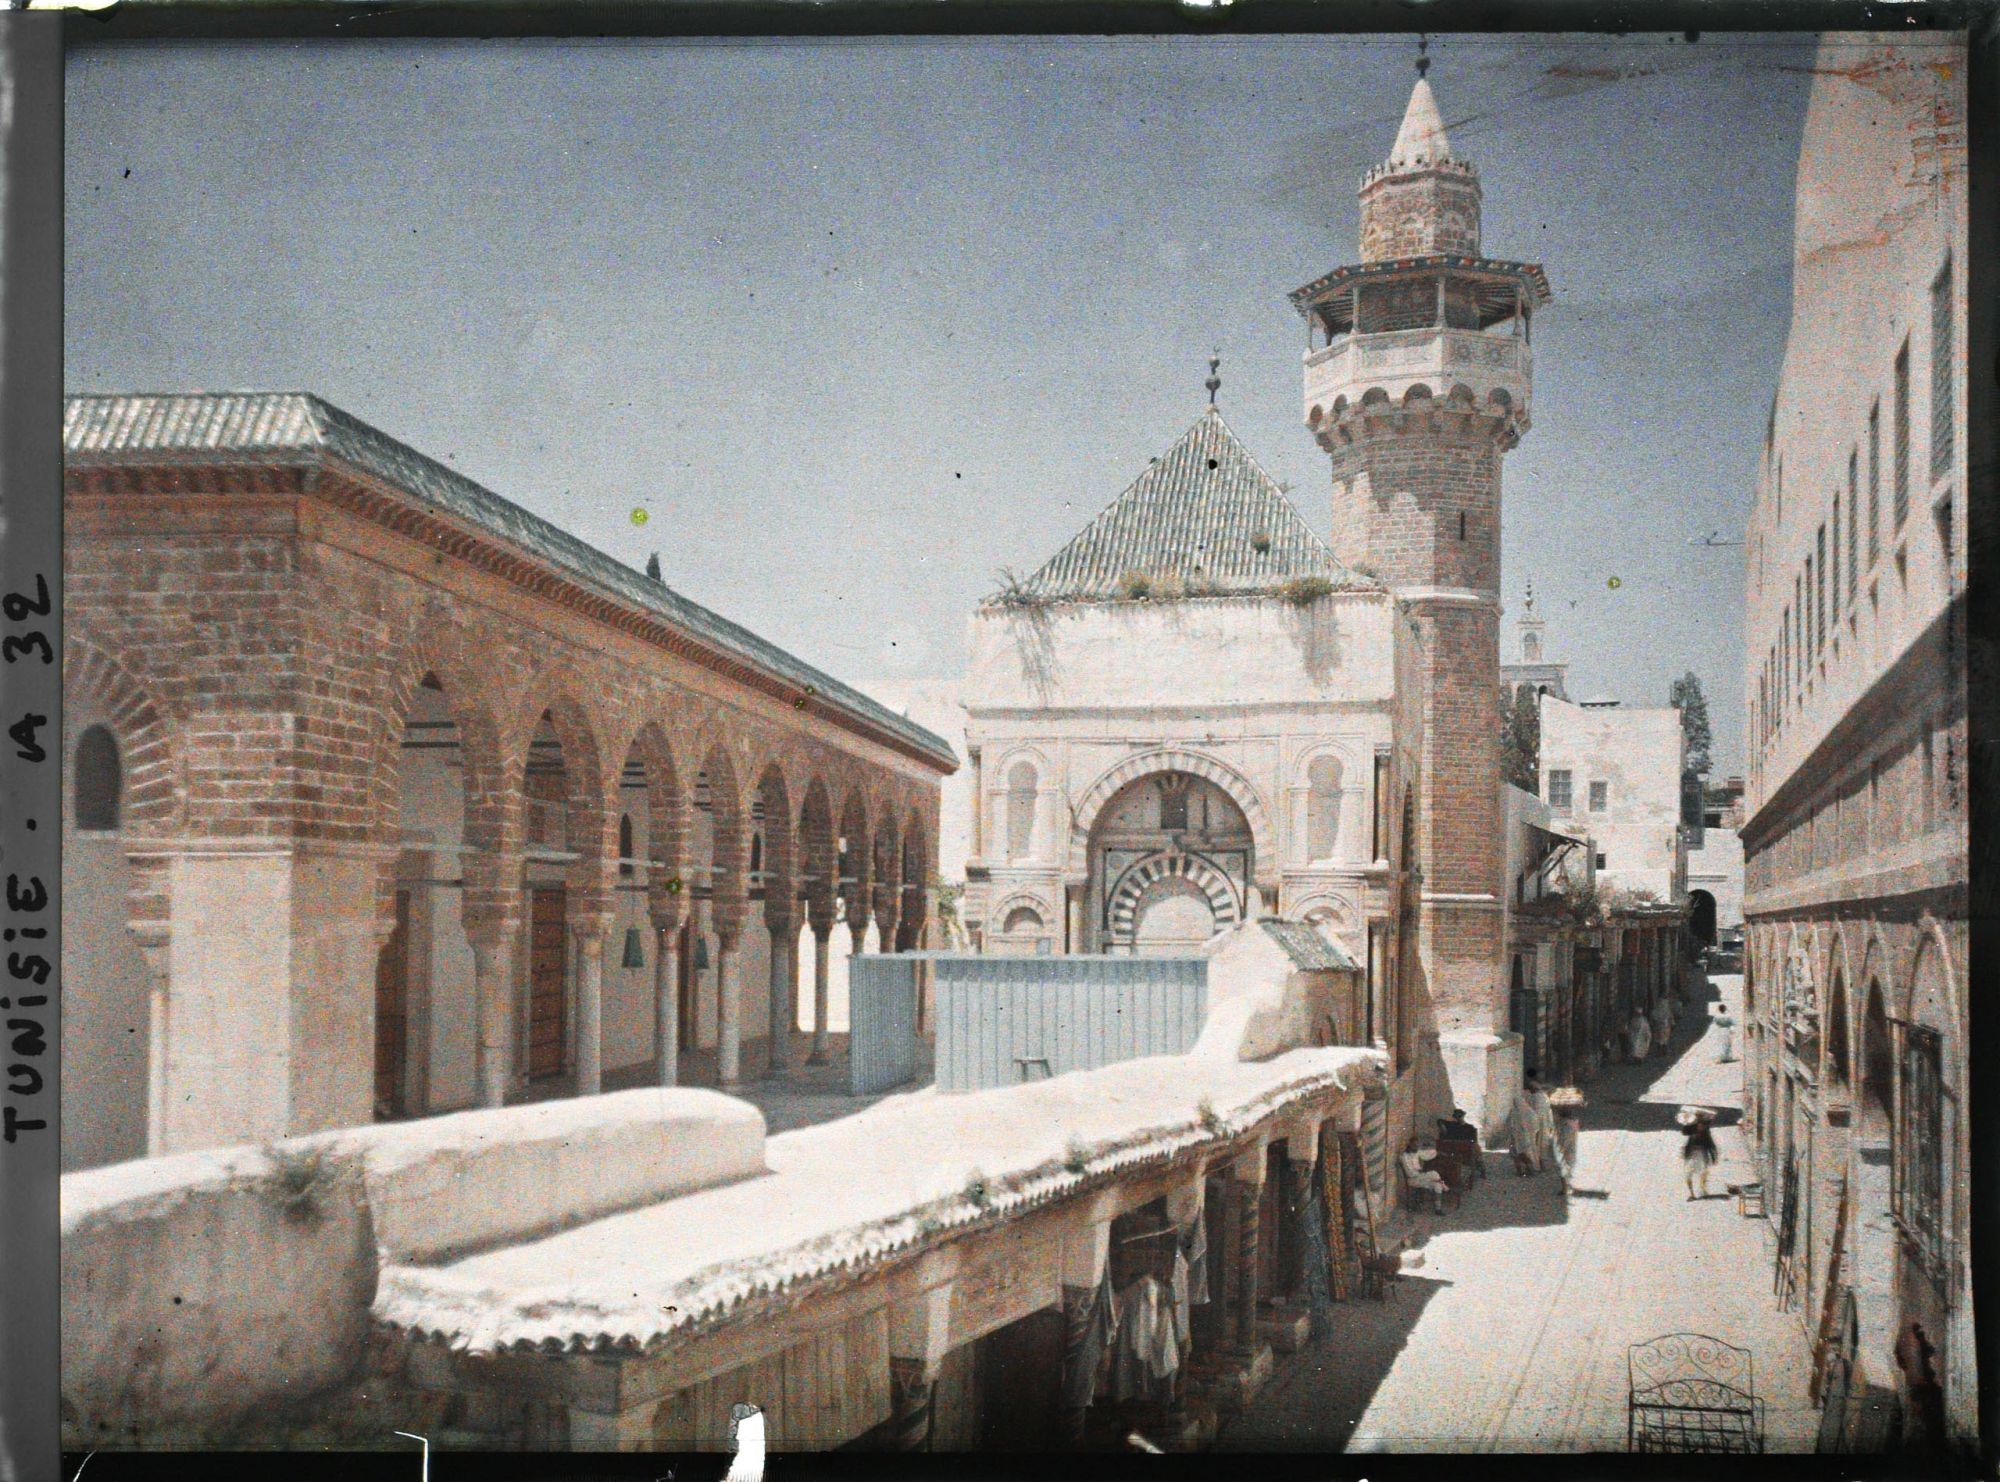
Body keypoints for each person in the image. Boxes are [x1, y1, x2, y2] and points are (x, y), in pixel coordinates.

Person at [1681, 1111, 1719, 1199]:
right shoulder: (1691, 1128)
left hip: (1701, 1153)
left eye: (1702, 1124)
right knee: (1688, 1173)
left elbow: (1710, 1144)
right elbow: (1684, 1132)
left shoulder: (1706, 1132)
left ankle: (1702, 1188)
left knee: (1703, 1172)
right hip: (1691, 1154)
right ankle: (1692, 1194)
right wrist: (1686, 1121)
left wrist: (1713, 1155)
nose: (1700, 1125)